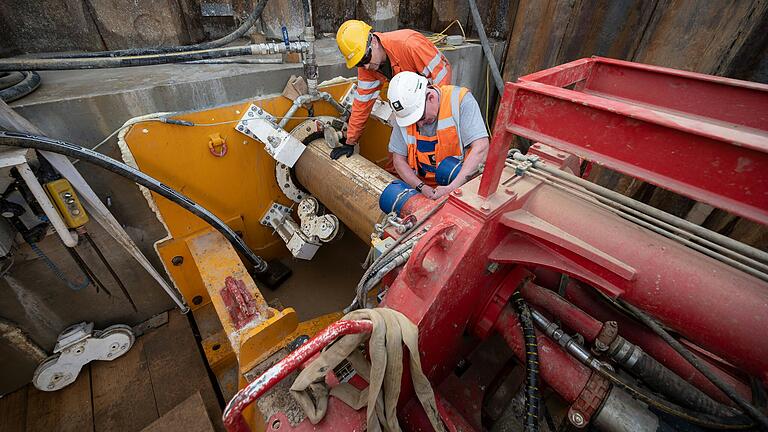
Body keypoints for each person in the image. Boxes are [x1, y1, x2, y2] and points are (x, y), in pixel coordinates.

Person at [331, 20, 452, 160]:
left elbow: (443, 79)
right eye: (359, 64)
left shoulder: (410, 45)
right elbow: (362, 105)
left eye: (365, 58)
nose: (366, 66)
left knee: (432, 157)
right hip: (408, 111)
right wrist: (350, 141)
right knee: (397, 159)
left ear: (374, 42)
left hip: (433, 107)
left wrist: (436, 120)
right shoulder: (368, 68)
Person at [386, 71, 489, 200]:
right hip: (424, 187)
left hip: (461, 185)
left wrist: (452, 188)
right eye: (414, 121)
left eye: (421, 117)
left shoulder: (460, 100)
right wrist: (422, 188)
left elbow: (481, 148)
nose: (420, 124)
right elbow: (398, 160)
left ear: (431, 97)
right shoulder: (405, 112)